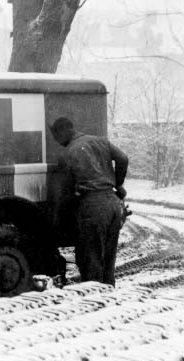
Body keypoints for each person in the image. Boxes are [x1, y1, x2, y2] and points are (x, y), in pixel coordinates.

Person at [50, 117, 129, 286]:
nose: (58, 142)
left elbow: (64, 192)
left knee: (91, 260)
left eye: (56, 137)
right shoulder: (101, 141)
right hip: (113, 204)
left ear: (63, 132)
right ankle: (108, 299)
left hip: (92, 207)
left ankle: (95, 303)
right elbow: (123, 158)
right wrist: (117, 183)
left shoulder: (67, 153)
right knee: (109, 259)